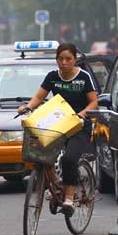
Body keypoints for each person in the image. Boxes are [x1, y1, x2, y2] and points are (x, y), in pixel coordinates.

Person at [17, 43, 98, 211]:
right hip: (57, 123)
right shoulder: (52, 76)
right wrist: (28, 107)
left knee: (69, 159)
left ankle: (69, 198)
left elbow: (94, 102)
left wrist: (82, 114)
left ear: (75, 59)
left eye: (68, 59)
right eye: (60, 59)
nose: (64, 62)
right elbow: (39, 96)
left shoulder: (84, 77)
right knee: (40, 154)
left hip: (79, 125)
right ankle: (56, 183)